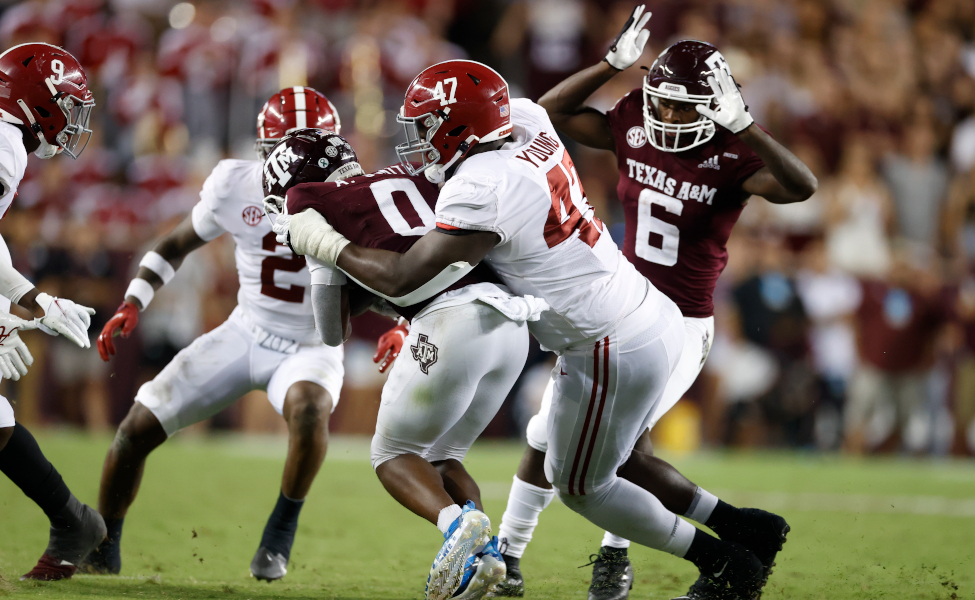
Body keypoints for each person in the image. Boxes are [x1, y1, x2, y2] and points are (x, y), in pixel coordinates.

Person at [272, 55, 792, 600]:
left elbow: (404, 275)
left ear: (457, 127)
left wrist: (324, 243)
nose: (420, 138)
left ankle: (727, 564)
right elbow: (539, 115)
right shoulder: (523, 121)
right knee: (577, 456)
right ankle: (744, 529)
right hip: (627, 313)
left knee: (584, 488)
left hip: (608, 340)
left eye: (427, 125)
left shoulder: (483, 184)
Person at [494, 6, 819, 597]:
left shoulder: (734, 153)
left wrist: (746, 127)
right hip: (620, 302)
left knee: (610, 453)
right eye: (660, 101)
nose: (667, 115)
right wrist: (606, 66)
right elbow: (551, 114)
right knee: (551, 430)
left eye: (682, 106)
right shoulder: (634, 123)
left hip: (680, 322)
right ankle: (513, 553)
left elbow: (802, 186)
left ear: (718, 106)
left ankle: (620, 552)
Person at [264, 128, 547, 600]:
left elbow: (332, 331)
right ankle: (489, 560)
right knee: (441, 456)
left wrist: (318, 253)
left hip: (451, 325)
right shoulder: (407, 175)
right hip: (510, 325)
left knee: (391, 454)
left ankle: (461, 527)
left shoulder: (309, 202)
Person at [81, 87, 345, 582]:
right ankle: (104, 545)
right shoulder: (236, 184)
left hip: (311, 345)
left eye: (314, 152)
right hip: (246, 330)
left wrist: (399, 322)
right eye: (290, 153)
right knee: (135, 428)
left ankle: (279, 533)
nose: (301, 166)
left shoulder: (357, 196)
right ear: (265, 151)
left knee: (310, 407)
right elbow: (178, 242)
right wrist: (134, 300)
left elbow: (395, 272)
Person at [0, 42, 107, 582]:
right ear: (37, 102)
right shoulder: (5, 146)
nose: (71, 120)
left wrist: (34, 300)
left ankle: (73, 522)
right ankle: (74, 522)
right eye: (67, 103)